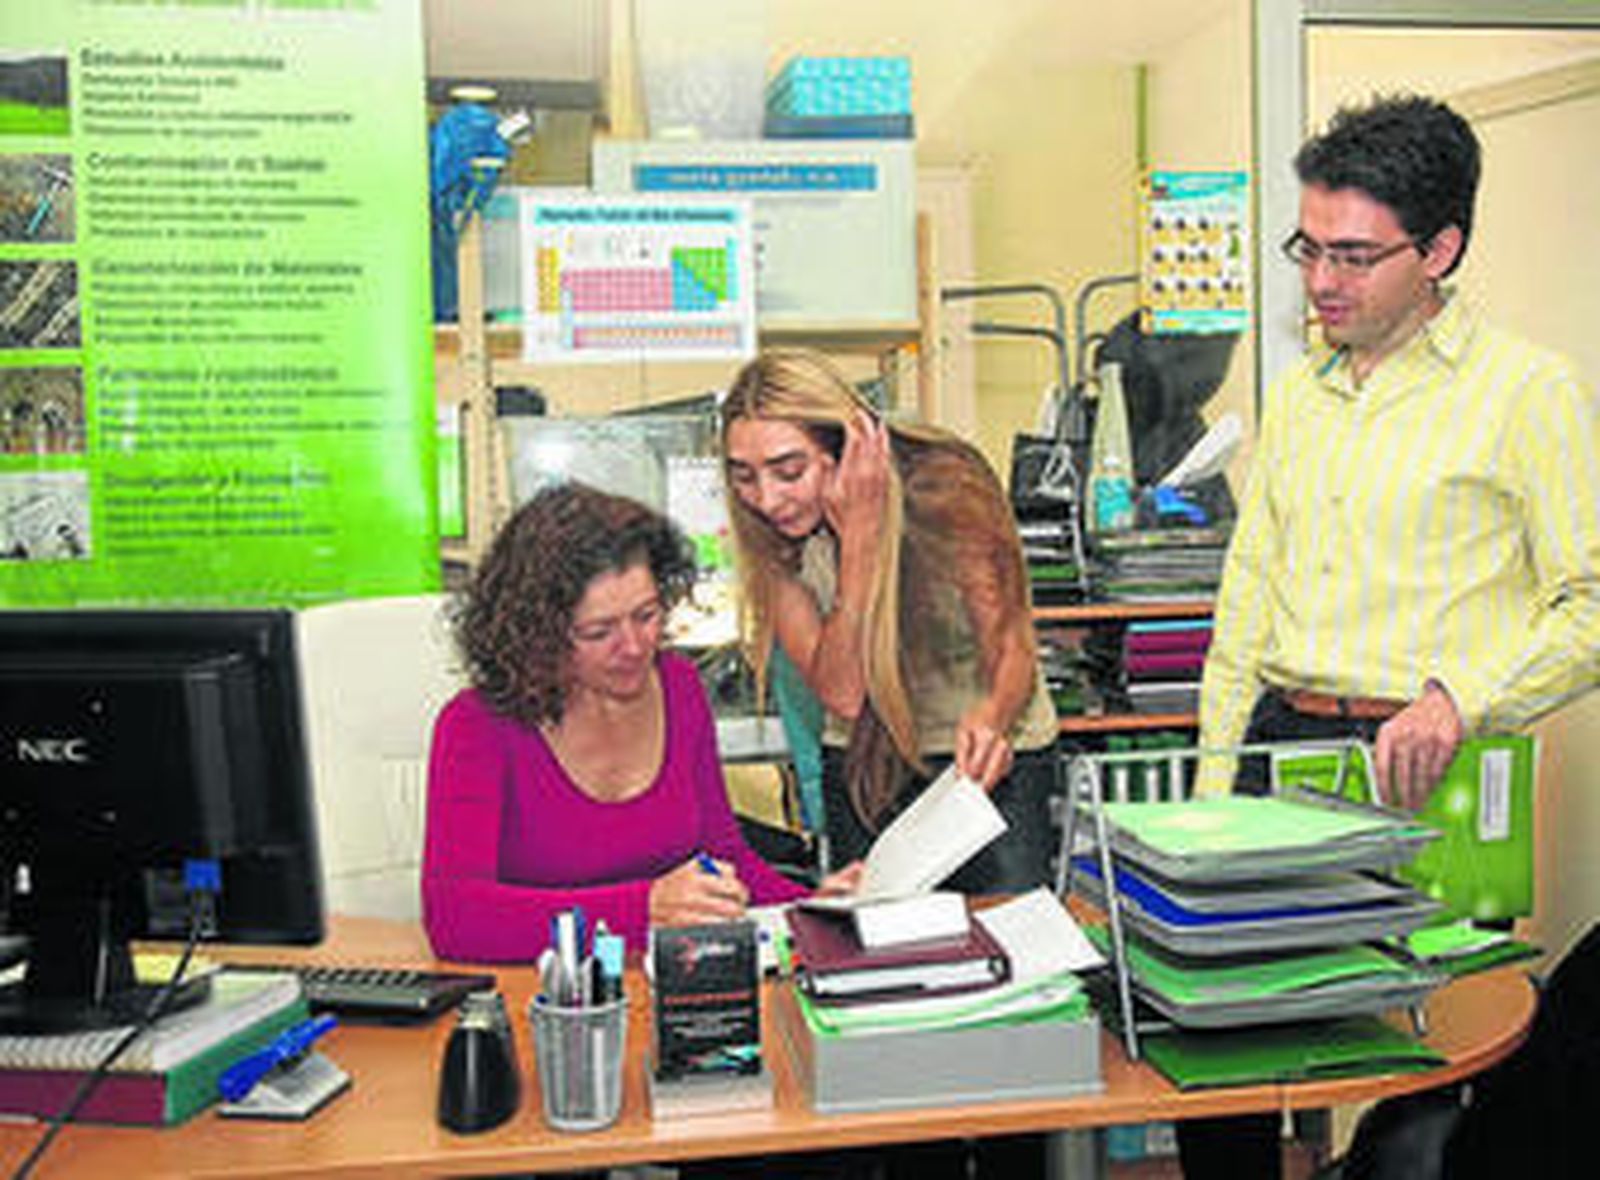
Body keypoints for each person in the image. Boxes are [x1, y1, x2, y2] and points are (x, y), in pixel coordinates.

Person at [1186, 94, 1600, 1179]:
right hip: (1282, 747)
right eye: (1308, 248)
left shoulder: (1526, 392)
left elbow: (1591, 601)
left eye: (1354, 256)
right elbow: (1245, 609)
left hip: (1438, 762)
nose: (1321, 282)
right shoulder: (1302, 396)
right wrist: (1209, 797)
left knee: (1437, 1058)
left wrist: (1461, 697)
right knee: (1218, 1045)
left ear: (1441, 248)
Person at [422, 482, 858, 962]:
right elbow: (455, 919)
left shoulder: (678, 685)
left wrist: (810, 908)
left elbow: (725, 859)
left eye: (646, 615)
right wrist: (643, 908)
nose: (633, 647)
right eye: (598, 631)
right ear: (537, 633)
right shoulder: (478, 725)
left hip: (665, 987)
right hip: (545, 1002)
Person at [720, 347, 1060, 893]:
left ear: (846, 445)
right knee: (880, 952)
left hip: (990, 754)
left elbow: (1012, 644)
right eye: (744, 477)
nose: (768, 499)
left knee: (1005, 941)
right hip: (867, 761)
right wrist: (859, 544)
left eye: (789, 471)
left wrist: (994, 715)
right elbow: (845, 693)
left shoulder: (947, 482)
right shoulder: (769, 538)